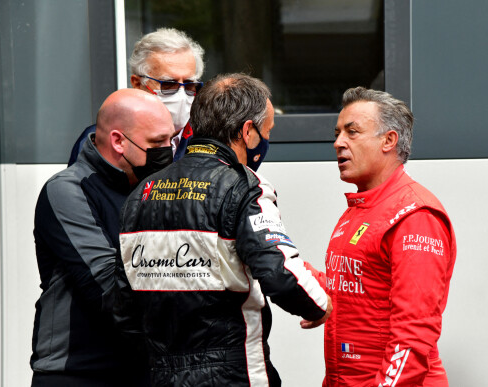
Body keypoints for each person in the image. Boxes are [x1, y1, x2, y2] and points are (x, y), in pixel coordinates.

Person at [116, 73, 332, 386]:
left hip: (161, 375)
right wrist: (320, 305)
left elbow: (122, 305)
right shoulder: (244, 186)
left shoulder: (141, 193)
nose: (265, 142)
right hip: (233, 373)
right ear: (247, 131)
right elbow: (281, 274)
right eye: (265, 132)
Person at [30, 88, 175, 387]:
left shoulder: (159, 189)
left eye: (171, 140)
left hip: (147, 369)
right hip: (78, 372)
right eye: (157, 142)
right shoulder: (68, 190)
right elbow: (109, 289)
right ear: (118, 141)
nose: (168, 150)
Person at [322, 87, 456, 386]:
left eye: (352, 132)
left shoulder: (414, 215)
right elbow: (355, 287)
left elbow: (414, 333)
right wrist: (287, 267)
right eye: (337, 133)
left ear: (389, 140)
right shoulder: (361, 208)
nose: (338, 143)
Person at [68, 27, 205, 166]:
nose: (181, 95)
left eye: (189, 85)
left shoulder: (209, 142)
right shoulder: (97, 142)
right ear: (137, 84)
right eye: (168, 85)